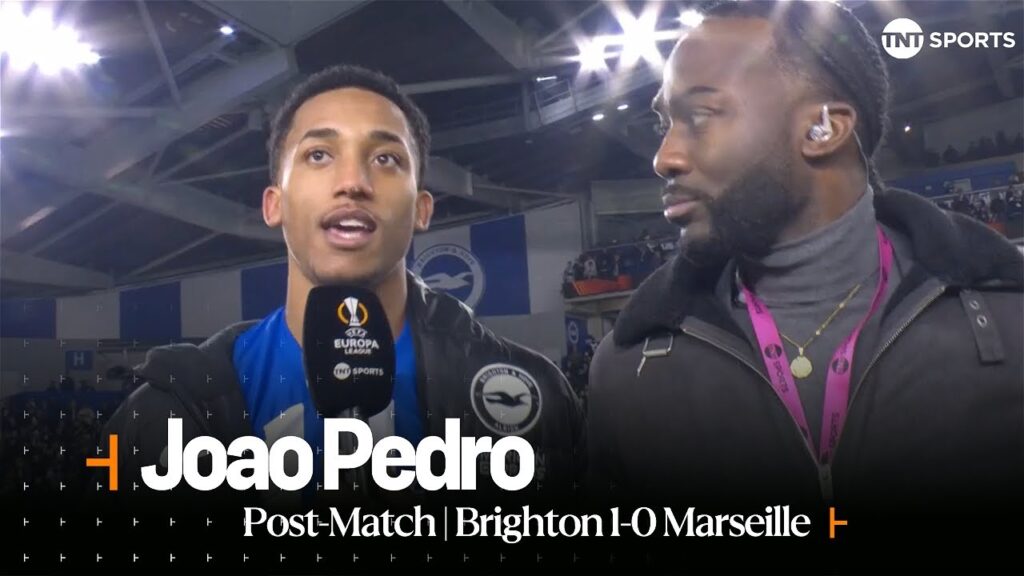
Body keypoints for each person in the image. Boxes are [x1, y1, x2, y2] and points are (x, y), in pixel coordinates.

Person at [587, 0, 1022, 565]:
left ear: (823, 128)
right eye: (664, 122)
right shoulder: (626, 369)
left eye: (700, 116)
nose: (664, 157)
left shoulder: (1012, 325)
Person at [105, 65, 583, 501]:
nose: (353, 181)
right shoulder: (166, 411)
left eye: (386, 159)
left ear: (422, 209)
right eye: (318, 154)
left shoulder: (534, 398)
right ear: (274, 204)